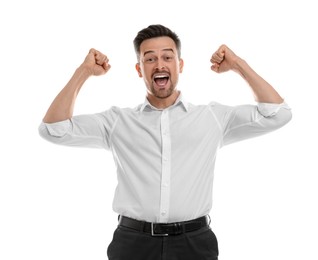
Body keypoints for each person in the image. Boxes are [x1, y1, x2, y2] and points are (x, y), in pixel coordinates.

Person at [39, 24, 292, 260]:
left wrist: (238, 65)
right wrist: (83, 72)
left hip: (195, 244)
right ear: (140, 69)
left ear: (179, 65)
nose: (159, 64)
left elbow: (279, 113)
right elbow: (53, 129)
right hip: (132, 245)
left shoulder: (211, 118)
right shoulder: (117, 121)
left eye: (167, 57)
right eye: (149, 58)